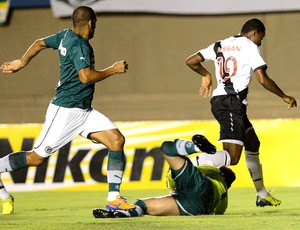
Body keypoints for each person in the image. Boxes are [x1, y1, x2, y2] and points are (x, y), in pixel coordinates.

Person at [0, 6, 135, 213]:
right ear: (91, 23)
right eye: (95, 23)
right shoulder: (80, 45)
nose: (95, 27)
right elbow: (86, 77)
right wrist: (113, 70)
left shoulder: (64, 35)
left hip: (84, 111)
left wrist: (22, 62)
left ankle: (114, 198)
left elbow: (38, 44)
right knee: (36, 159)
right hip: (65, 111)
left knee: (116, 140)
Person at [183, 18, 297, 207]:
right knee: (232, 158)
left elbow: (191, 61)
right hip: (230, 103)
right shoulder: (250, 46)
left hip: (226, 102)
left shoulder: (220, 44)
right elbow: (262, 78)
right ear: (254, 32)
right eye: (261, 37)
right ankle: (187, 164)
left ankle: (262, 194)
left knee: (253, 143)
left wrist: (206, 74)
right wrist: (283, 96)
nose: (261, 41)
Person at [93, 139, 236, 218]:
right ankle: (122, 214)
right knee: (142, 205)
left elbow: (198, 163)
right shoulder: (223, 201)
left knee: (168, 148)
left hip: (199, 189)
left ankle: (196, 147)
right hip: (193, 206)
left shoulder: (212, 172)